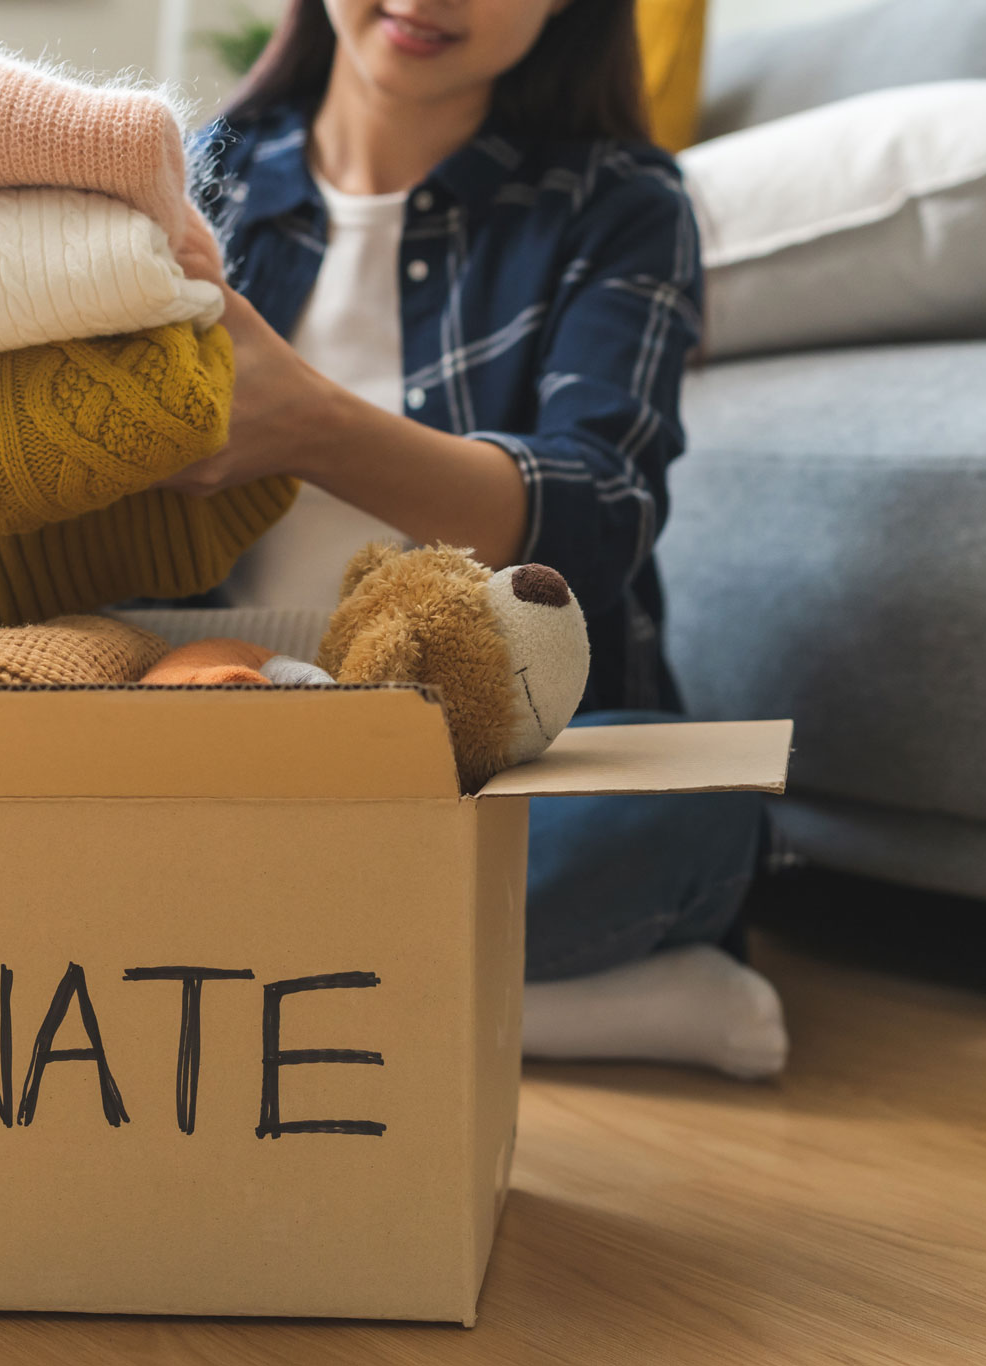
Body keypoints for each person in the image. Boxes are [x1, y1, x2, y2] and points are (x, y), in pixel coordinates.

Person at [165, 0, 787, 1077]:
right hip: (229, 733)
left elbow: (595, 514)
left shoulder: (620, 201)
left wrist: (311, 423)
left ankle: (204, 957)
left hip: (489, 764)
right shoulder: (197, 183)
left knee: (691, 820)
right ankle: (582, 1005)